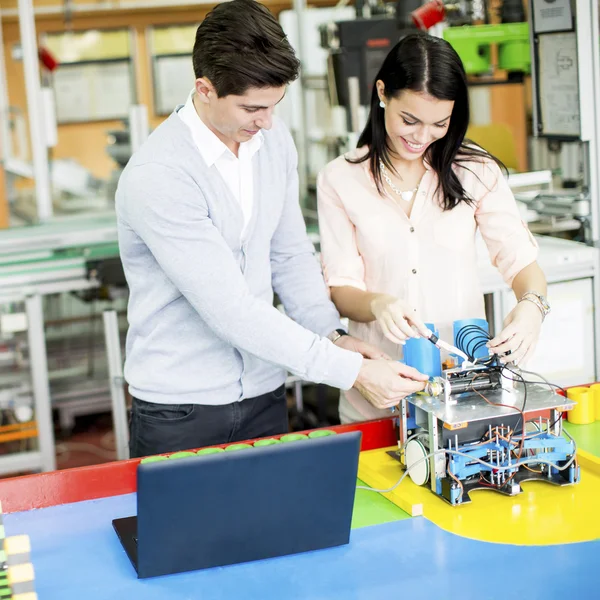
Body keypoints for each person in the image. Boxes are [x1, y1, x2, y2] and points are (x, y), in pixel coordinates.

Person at [115, 0, 428, 458]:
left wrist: (333, 335)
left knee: (273, 529)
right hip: (181, 410)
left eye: (274, 105)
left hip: (264, 391)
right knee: (190, 532)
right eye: (251, 108)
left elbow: (290, 255)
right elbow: (231, 310)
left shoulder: (271, 141)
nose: (265, 121)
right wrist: (348, 370)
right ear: (204, 88)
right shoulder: (159, 174)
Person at [317, 33, 549, 424]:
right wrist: (377, 303)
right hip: (378, 396)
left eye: (439, 123)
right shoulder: (340, 178)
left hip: (465, 394)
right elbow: (340, 290)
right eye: (409, 120)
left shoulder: (475, 171)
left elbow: (520, 261)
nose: (421, 137)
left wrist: (532, 307)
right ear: (382, 94)